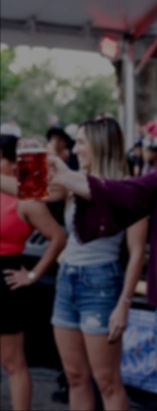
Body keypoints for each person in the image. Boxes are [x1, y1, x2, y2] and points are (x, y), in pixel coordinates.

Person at [48, 151, 157, 410]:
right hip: (66, 278)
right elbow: (26, 192)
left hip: (100, 284)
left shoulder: (126, 188)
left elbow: (137, 252)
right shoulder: (74, 183)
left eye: (82, 142)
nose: (76, 149)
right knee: (75, 376)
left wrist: (124, 303)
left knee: (106, 381)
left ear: (98, 145)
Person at [1, 134, 67, 411]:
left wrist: (32, 275)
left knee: (12, 361)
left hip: (6, 280)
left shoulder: (27, 198)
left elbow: (57, 237)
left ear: (11, 162)